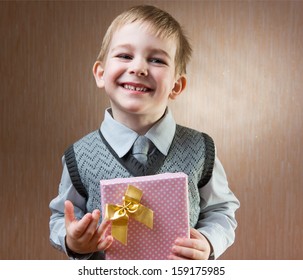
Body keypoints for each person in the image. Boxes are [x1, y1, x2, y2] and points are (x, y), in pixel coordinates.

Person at [49, 4, 240, 260]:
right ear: (101, 74)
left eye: (157, 60)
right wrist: (72, 239)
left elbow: (221, 209)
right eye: (125, 56)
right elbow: (62, 216)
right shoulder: (79, 156)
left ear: (177, 85)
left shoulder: (201, 149)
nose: (138, 68)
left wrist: (208, 242)